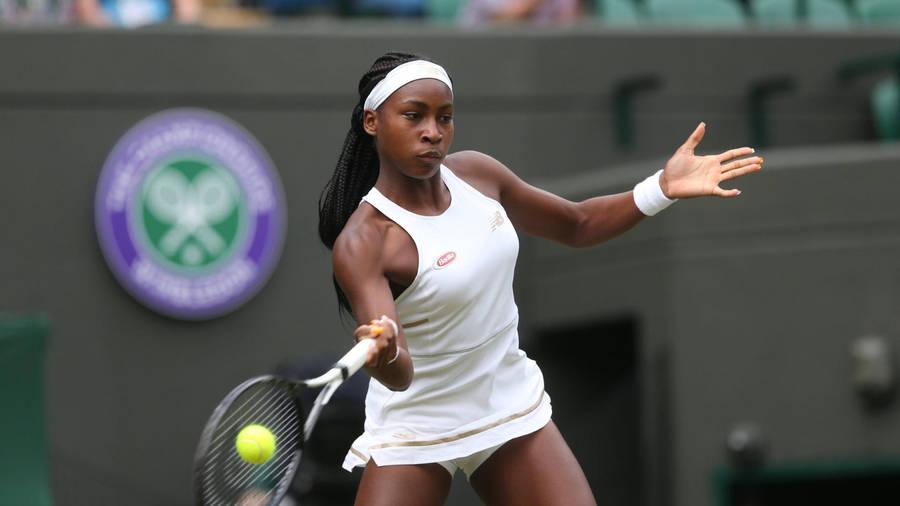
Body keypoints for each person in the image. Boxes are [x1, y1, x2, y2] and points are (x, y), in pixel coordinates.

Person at [317, 51, 762, 505]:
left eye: (444, 118)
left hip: (506, 402)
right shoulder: (364, 242)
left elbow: (577, 224)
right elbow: (400, 375)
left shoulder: (478, 174)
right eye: (414, 116)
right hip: (417, 423)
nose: (433, 132)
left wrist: (661, 189)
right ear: (373, 121)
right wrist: (385, 352)